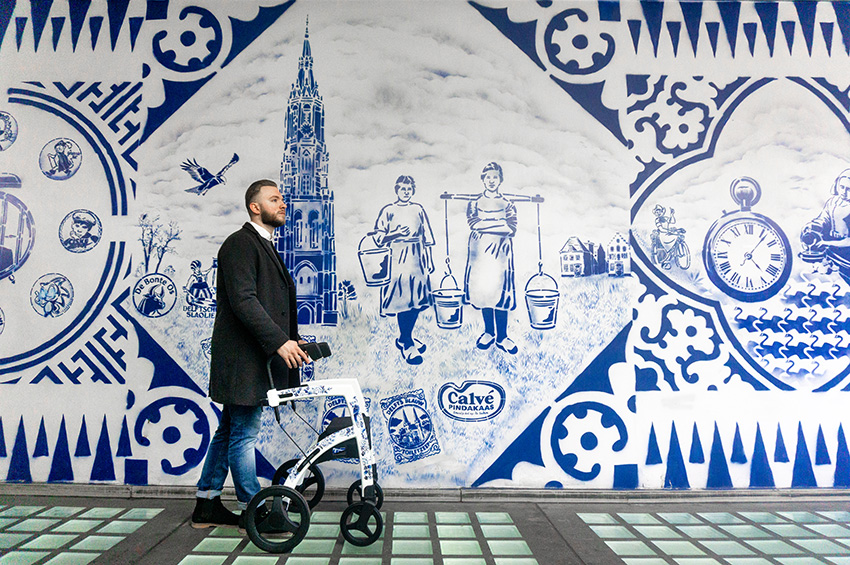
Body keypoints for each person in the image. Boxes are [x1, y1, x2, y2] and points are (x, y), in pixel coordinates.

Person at [192, 179, 311, 531]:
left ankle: (207, 503)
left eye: (282, 199)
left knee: (229, 430)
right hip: (244, 360)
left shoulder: (262, 244)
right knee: (243, 435)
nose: (282, 203)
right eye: (274, 199)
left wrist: (293, 341)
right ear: (255, 207)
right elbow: (245, 301)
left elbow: (271, 305)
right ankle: (252, 508)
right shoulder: (240, 244)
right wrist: (279, 342)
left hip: (251, 357)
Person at [372, 175, 435, 364]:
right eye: (402, 189)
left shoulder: (418, 209)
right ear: (397, 190)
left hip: (417, 257)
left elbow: (427, 237)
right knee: (403, 300)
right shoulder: (388, 210)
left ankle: (404, 336)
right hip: (397, 258)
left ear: (412, 191)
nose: (406, 193)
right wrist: (396, 233)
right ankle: (407, 343)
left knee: (416, 300)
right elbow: (379, 237)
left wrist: (429, 259)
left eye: (409, 189)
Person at [464, 162, 518, 354]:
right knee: (484, 291)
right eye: (488, 177)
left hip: (501, 253)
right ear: (483, 179)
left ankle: (502, 337)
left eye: (495, 177)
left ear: (500, 179)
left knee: (500, 292)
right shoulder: (474, 203)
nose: (491, 180)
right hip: (480, 253)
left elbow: (510, 229)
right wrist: (498, 223)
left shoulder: (508, 204)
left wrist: (487, 224)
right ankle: (489, 333)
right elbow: (473, 224)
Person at [802, 169, 850, 283]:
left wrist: (826, 243)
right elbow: (823, 219)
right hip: (833, 249)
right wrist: (813, 226)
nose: (844, 192)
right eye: (842, 187)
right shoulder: (833, 202)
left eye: (849, 189)